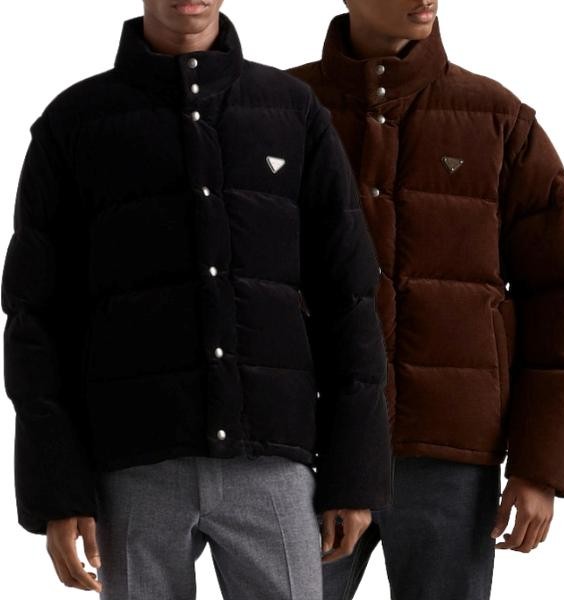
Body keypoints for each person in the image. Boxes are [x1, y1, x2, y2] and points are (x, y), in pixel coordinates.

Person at [1, 1, 393, 598]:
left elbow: (348, 299)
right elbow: (36, 318)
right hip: (133, 464)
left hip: (273, 457)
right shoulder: (74, 122)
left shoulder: (292, 110)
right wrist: (58, 489)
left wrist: (354, 474)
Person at [287, 1, 564, 599]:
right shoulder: (280, 110)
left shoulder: (497, 119)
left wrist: (540, 465)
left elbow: (561, 295)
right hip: (306, 444)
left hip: (450, 451)